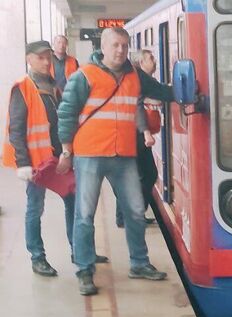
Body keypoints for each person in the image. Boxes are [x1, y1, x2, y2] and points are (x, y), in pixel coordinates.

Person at [56, 27, 173, 296]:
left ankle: (139, 263)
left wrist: (191, 90)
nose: (120, 50)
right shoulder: (84, 75)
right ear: (103, 46)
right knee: (84, 215)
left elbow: (160, 91)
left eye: (124, 45)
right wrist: (66, 150)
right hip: (89, 154)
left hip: (123, 154)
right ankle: (84, 270)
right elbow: (66, 112)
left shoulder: (134, 74)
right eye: (115, 45)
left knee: (134, 211)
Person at [1, 40, 107, 277]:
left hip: (60, 159)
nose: (46, 61)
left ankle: (79, 251)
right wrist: (23, 163)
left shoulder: (55, 88)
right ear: (29, 58)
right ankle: (37, 258)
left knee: (75, 204)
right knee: (35, 209)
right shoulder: (22, 87)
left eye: (48, 56)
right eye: (40, 57)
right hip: (37, 163)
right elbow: (16, 129)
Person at [115, 49, 161, 228]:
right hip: (134, 137)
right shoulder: (137, 81)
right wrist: (146, 132)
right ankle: (132, 215)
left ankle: (130, 215)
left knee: (139, 177)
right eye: (151, 58)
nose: (154, 61)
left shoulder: (145, 81)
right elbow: (138, 105)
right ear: (141, 63)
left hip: (136, 136)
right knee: (147, 175)